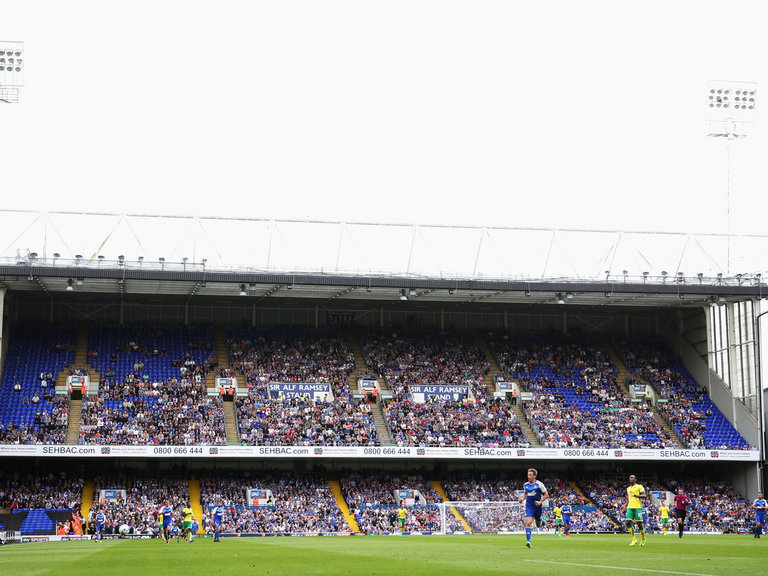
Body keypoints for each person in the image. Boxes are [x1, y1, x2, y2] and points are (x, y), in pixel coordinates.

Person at [519, 468, 548, 548]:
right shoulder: (526, 485)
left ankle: (542, 521)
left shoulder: (539, 484)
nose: (529, 476)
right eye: (528, 475)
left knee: (538, 525)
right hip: (529, 506)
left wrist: (540, 502)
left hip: (537, 506)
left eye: (530, 475)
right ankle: (528, 541)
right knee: (528, 522)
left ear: (534, 476)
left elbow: (546, 495)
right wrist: (522, 499)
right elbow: (525, 493)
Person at [621, 474, 646, 546]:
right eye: (630, 478)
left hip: (637, 507)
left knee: (639, 523)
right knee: (628, 522)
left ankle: (643, 538)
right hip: (630, 507)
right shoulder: (628, 488)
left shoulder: (639, 486)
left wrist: (637, 496)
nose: (630, 479)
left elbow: (644, 495)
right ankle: (634, 539)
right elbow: (629, 498)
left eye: (632, 478)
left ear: (635, 479)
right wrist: (625, 505)